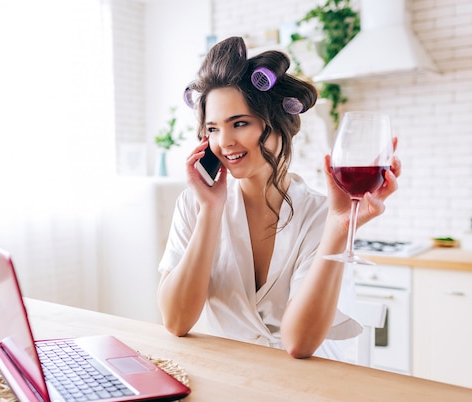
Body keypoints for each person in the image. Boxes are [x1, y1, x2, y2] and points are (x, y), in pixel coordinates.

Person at [157, 36, 401, 361]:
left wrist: (339, 230)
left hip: (312, 389)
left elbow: (299, 343)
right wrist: (210, 211)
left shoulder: (320, 214)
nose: (225, 141)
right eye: (213, 129)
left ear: (278, 126)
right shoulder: (194, 203)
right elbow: (176, 321)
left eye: (239, 123)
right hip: (233, 384)